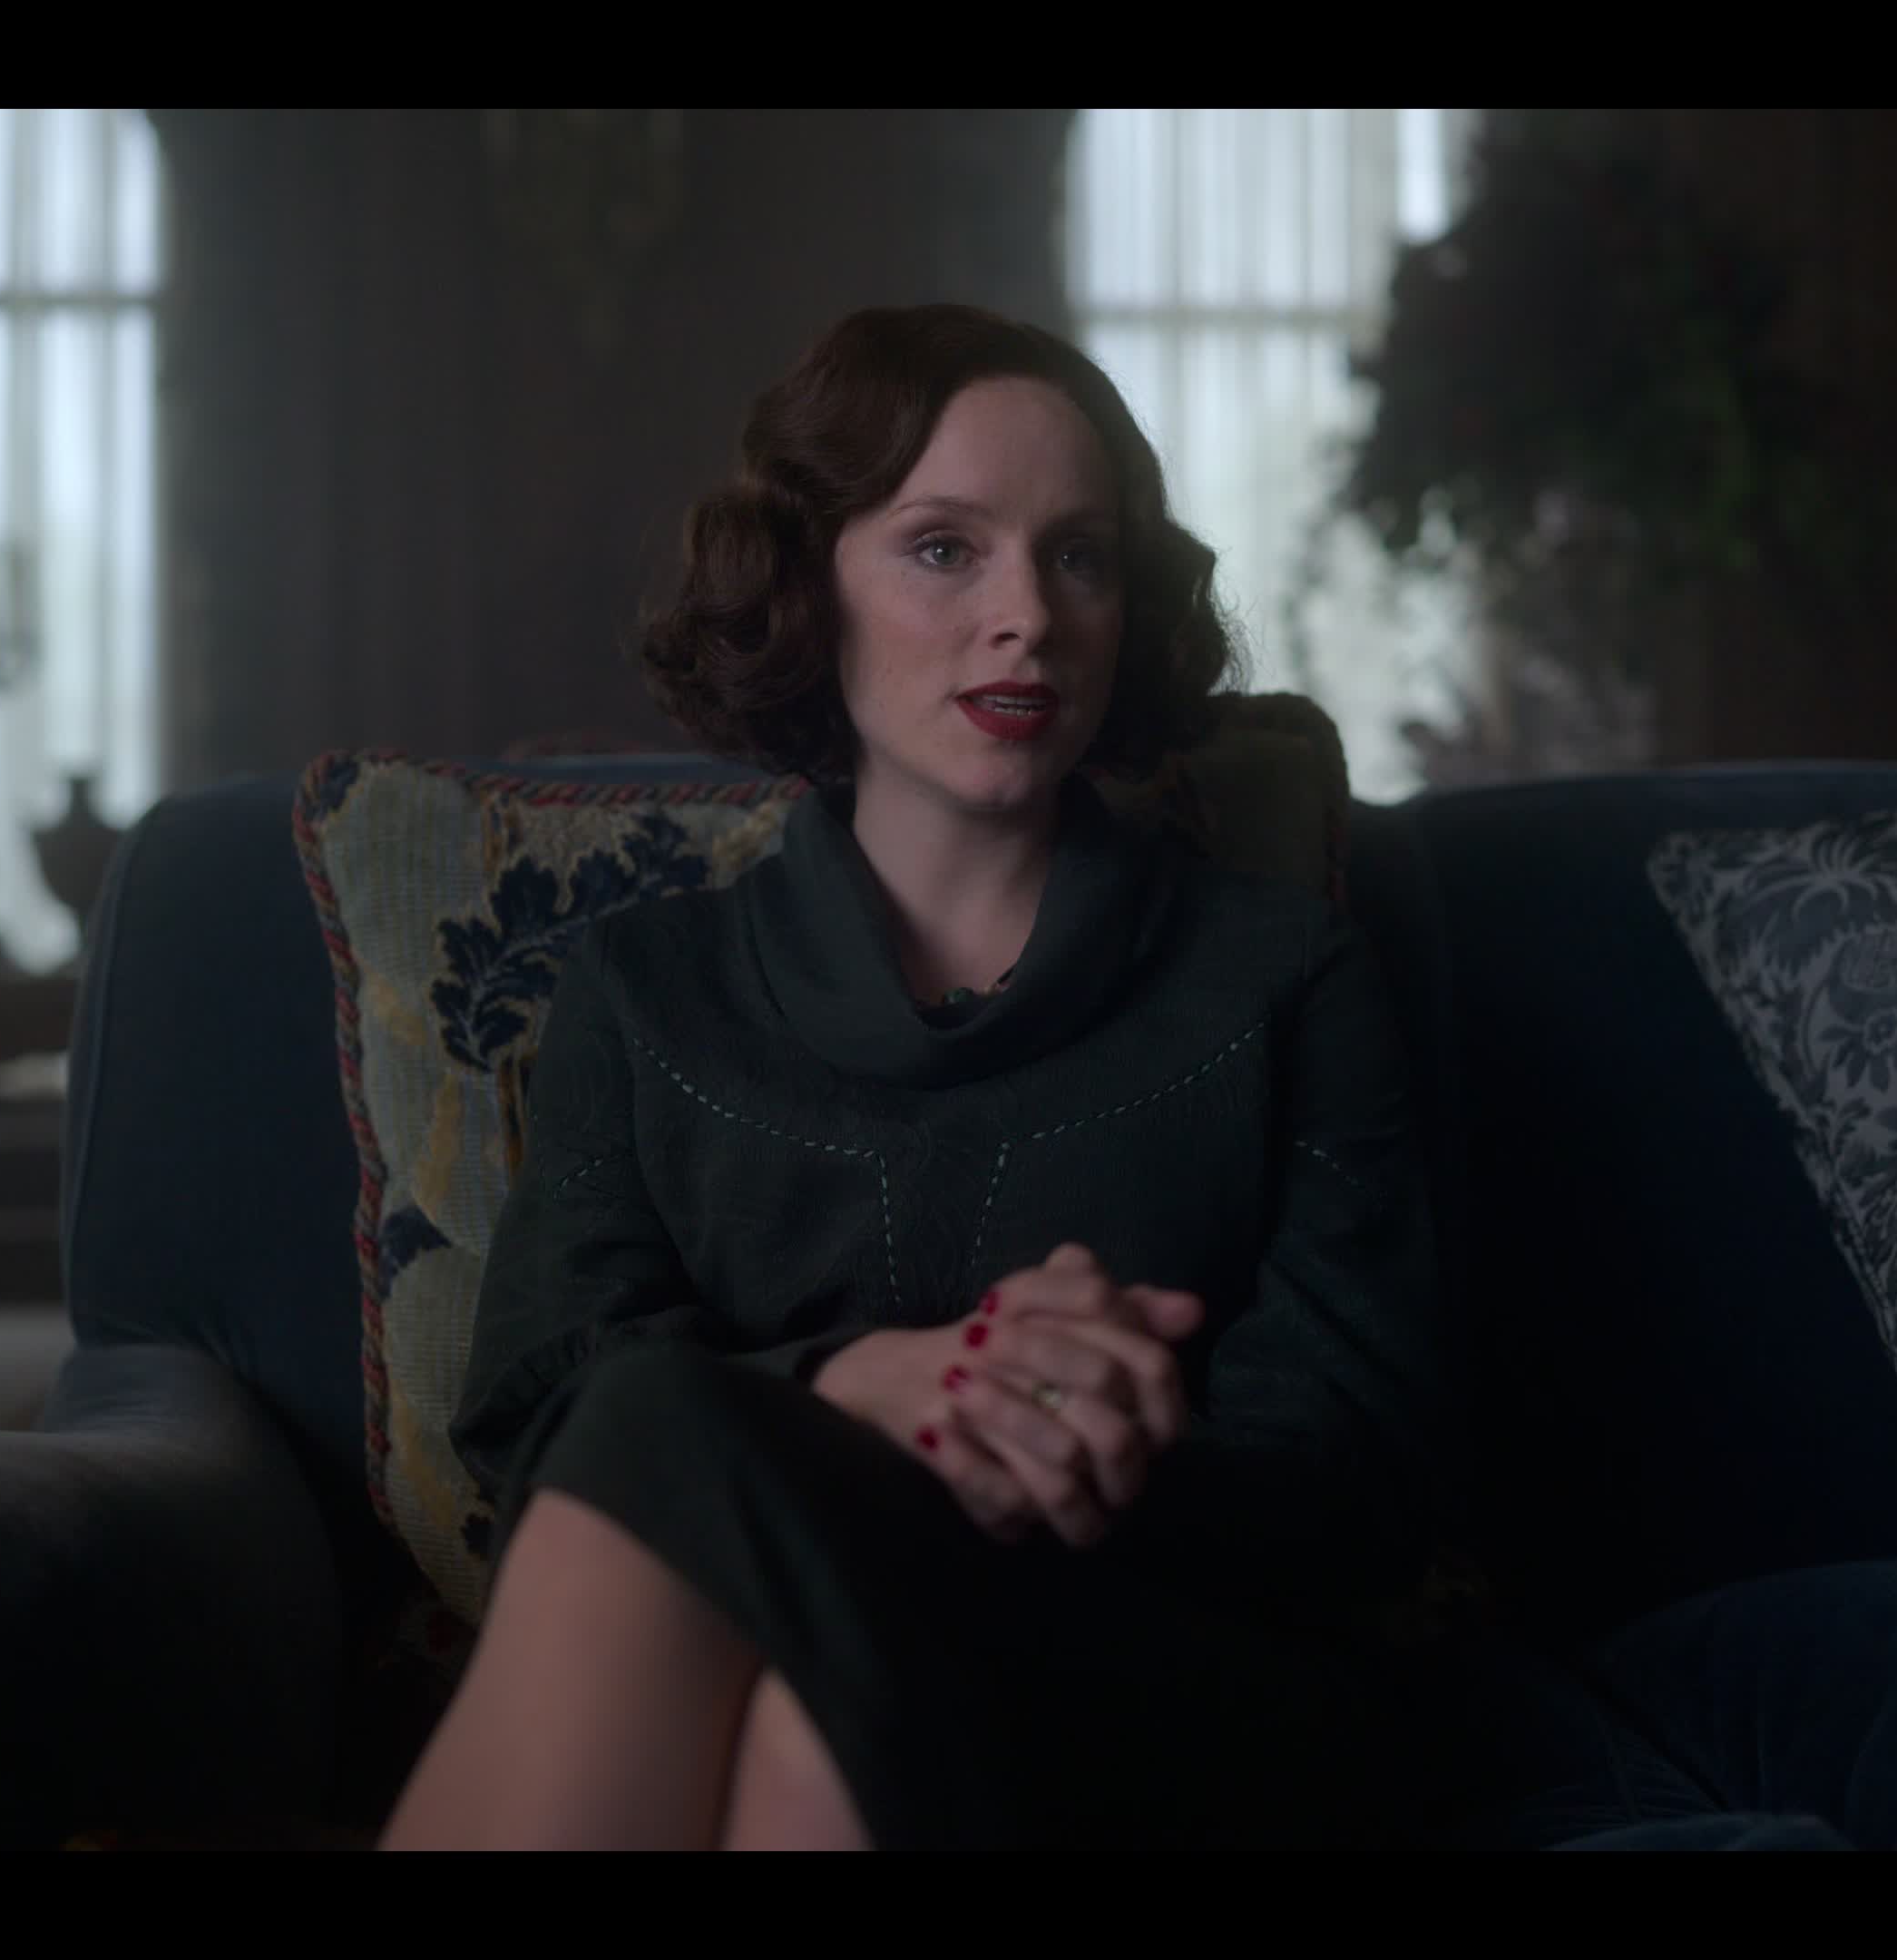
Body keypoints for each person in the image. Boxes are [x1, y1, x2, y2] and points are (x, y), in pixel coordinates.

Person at [379, 303, 1461, 1850]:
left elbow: (1359, 1477)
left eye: (1079, 557)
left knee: (685, 1451)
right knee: (742, 1606)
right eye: (945, 548)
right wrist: (863, 1385)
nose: (1028, 615)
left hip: (1178, 1681)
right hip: (807, 1645)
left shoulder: (1284, 973)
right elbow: (542, 1416)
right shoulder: (646, 987)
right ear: (806, 586)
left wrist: (1050, 1414)